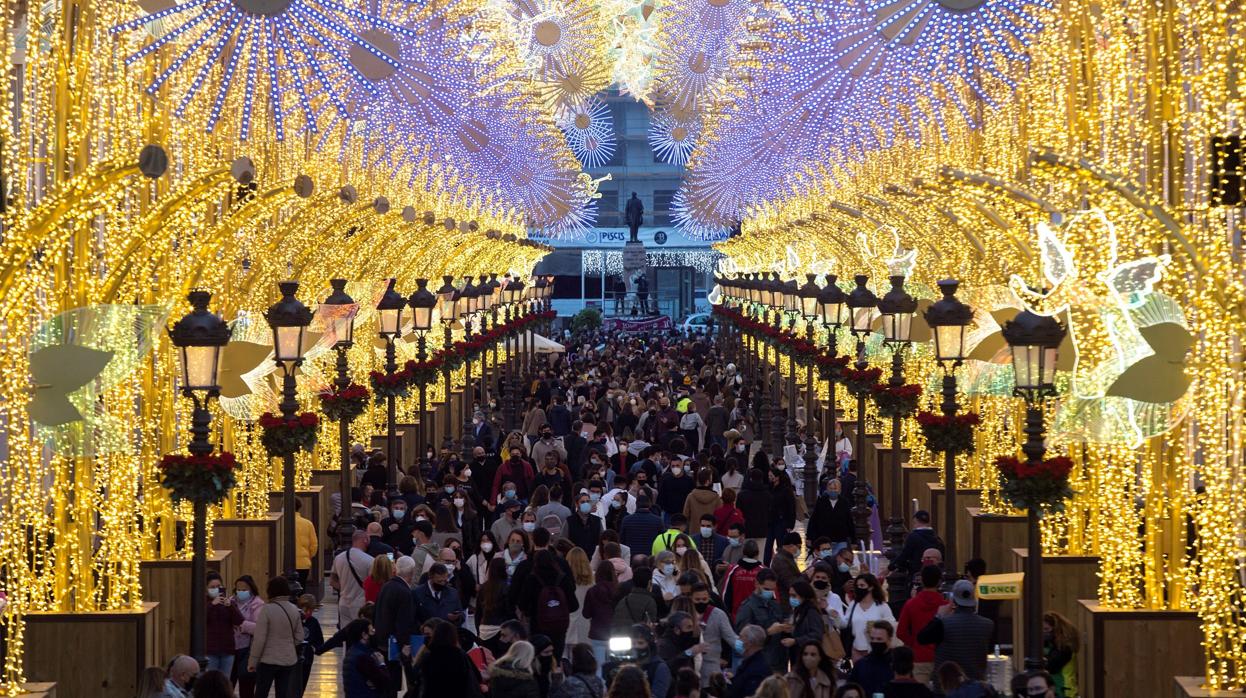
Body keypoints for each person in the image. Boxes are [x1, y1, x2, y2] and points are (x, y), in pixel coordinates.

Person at [916, 580, 995, 682]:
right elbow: (989, 649)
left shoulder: (943, 623)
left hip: (947, 686)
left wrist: (938, 617)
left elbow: (922, 638)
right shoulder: (988, 624)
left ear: (953, 599)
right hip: (976, 686)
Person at [247, 576, 304, 698]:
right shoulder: (294, 609)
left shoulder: (267, 610)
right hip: (288, 659)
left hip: (268, 660)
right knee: (282, 692)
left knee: (261, 692)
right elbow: (300, 636)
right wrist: (288, 644)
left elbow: (259, 639)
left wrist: (252, 662)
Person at [897, 564, 946, 685]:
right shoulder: (945, 605)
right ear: (939, 582)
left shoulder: (911, 604)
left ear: (922, 581)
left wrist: (913, 642)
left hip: (918, 656)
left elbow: (901, 632)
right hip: (941, 657)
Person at [734, 568, 789, 673]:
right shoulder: (747, 608)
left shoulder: (775, 605)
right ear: (756, 584)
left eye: (772, 590)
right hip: (759, 665)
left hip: (779, 662)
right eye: (766, 589)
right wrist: (768, 632)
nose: (769, 592)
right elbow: (743, 639)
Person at [835, 573, 896, 661]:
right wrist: (834, 614)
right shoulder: (854, 605)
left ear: (871, 587)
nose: (859, 588)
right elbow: (844, 624)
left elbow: (892, 626)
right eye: (857, 585)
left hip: (876, 651)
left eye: (862, 585)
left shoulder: (882, 606)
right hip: (857, 651)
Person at [691, 582, 738, 687]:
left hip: (711, 669)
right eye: (697, 600)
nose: (701, 602)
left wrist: (746, 646)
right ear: (691, 599)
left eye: (704, 599)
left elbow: (731, 638)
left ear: (709, 598)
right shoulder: (686, 614)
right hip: (690, 669)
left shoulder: (718, 615)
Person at [415, 619, 476, 696]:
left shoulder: (428, 656)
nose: (426, 639)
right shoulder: (460, 655)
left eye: (428, 635)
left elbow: (419, 681)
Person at [204, 572, 244, 677]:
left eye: (218, 586)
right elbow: (201, 619)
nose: (216, 589)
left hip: (227, 649)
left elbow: (239, 621)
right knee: (210, 681)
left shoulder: (229, 602)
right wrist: (212, 605)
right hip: (210, 650)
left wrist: (230, 606)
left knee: (225, 680)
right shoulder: (203, 603)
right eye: (212, 587)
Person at [331, 530, 375, 625]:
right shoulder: (370, 561)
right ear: (365, 540)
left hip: (343, 602)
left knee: (346, 633)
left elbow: (332, 581)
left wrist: (343, 587)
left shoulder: (339, 558)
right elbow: (372, 584)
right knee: (360, 632)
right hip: (360, 604)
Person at [232, 574, 264, 697]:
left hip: (248, 649)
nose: (240, 592)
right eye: (238, 589)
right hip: (231, 648)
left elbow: (259, 628)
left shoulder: (258, 604)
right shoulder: (230, 602)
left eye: (244, 590)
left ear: (251, 589)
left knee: (246, 685)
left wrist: (242, 625)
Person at [340, 618, 391, 697]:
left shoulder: (352, 652)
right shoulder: (363, 657)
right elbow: (384, 682)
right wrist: (382, 663)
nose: (374, 633)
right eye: (372, 631)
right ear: (364, 635)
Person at [582, 561, 618, 670]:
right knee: (615, 666)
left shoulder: (592, 591)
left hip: (597, 633)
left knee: (599, 666)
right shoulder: (619, 591)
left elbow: (586, 614)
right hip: (615, 633)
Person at [846, 620, 895, 696]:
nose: (875, 642)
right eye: (872, 638)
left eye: (879, 639)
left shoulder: (897, 664)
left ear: (890, 639)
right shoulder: (861, 665)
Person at [720, 540, 765, 620]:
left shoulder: (732, 570)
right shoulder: (764, 571)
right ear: (758, 553)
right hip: (758, 618)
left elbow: (725, 595)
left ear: (743, 553)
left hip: (737, 617)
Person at [785, 581, 826, 666]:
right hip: (797, 656)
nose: (791, 598)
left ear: (803, 596)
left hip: (807, 658)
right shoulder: (798, 610)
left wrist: (795, 641)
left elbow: (817, 635)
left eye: (794, 596)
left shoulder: (811, 612)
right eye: (790, 595)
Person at [893, 511, 944, 576]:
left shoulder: (913, 537)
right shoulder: (937, 538)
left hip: (916, 572)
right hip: (935, 574)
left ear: (915, 521)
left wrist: (890, 568)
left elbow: (904, 555)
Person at [629, 624, 672, 698]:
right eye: (632, 643)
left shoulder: (659, 667)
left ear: (650, 645)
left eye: (640, 643)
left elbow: (658, 695)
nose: (635, 646)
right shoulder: (625, 664)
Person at [1042, 612, 1079, 697]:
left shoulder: (1065, 647)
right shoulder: (1052, 644)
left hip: (1064, 691)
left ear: (1056, 629)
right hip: (1057, 689)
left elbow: (1051, 666)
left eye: (1046, 629)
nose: (1044, 633)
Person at [728, 625, 771, 698]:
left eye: (741, 637)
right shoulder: (748, 662)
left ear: (750, 643)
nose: (738, 639)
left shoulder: (757, 670)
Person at [806, 479, 853, 545]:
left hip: (840, 539)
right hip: (824, 539)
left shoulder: (844, 502)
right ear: (827, 490)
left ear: (839, 490)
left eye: (835, 488)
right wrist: (809, 537)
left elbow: (849, 521)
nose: (833, 491)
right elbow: (813, 520)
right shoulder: (821, 502)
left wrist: (853, 540)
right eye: (831, 488)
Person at [735, 470, 772, 551]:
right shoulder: (767, 495)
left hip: (747, 529)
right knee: (761, 553)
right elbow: (770, 512)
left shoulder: (742, 495)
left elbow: (738, 513)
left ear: (750, 478)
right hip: (763, 529)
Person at [613, 565, 659, 630]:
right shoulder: (650, 602)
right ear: (649, 583)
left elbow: (616, 621)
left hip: (620, 636)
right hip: (639, 638)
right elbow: (649, 625)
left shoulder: (624, 600)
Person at [295, 594, 324, 697]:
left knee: (302, 685)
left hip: (307, 659)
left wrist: (315, 648)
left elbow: (319, 641)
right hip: (294, 659)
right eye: (305, 610)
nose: (307, 613)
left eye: (310, 611)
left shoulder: (313, 622)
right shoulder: (294, 620)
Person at [293, 499, 318, 587]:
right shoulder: (307, 523)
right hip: (303, 562)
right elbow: (314, 545)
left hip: (284, 565)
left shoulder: (281, 522)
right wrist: (308, 556)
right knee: (301, 588)